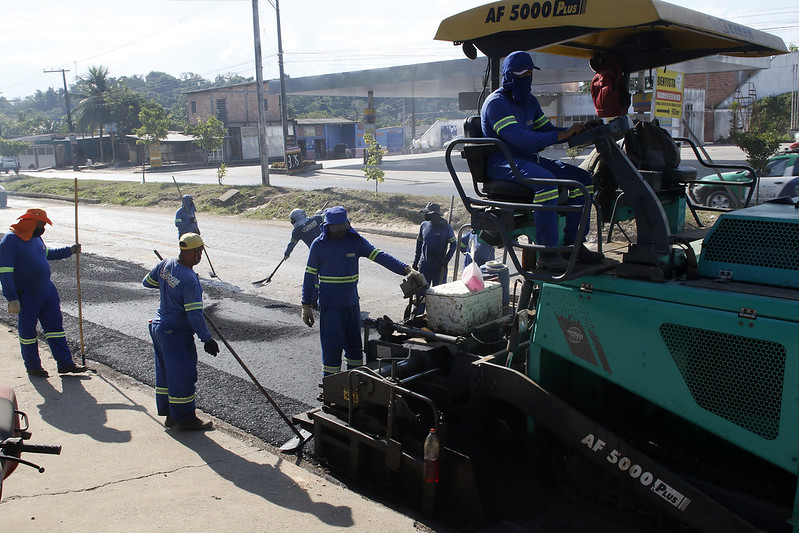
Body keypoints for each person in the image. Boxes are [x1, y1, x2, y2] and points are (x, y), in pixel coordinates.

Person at [481, 50, 604, 271]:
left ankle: (573, 245)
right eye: (521, 74)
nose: (527, 78)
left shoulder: (530, 101)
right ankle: (548, 252)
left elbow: (544, 129)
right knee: (546, 183)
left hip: (528, 159)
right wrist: (560, 135)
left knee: (582, 179)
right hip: (502, 161)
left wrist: (573, 131)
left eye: (530, 73)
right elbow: (516, 137)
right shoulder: (496, 103)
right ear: (508, 76)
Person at [301, 206, 424, 378]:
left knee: (355, 350)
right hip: (330, 309)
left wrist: (406, 269)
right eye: (335, 230)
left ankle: (354, 386)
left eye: (342, 229)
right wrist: (305, 304)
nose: (339, 234)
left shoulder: (355, 241)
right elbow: (309, 275)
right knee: (331, 350)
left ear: (348, 225)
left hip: (351, 305)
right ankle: (330, 388)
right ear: (326, 227)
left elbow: (380, 256)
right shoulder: (319, 245)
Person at [143, 233, 220, 430]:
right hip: (175, 332)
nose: (201, 255)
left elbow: (147, 282)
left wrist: (167, 282)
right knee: (183, 374)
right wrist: (207, 339)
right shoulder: (189, 279)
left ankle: (170, 415)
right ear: (193, 252)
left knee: (166, 373)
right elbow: (194, 315)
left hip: (158, 327)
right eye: (200, 251)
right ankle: (185, 418)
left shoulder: (166, 264)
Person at [0, 208, 86, 377]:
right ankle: (33, 366)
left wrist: (69, 250)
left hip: (47, 292)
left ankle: (65, 363)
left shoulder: (36, 238)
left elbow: (46, 254)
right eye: (41, 224)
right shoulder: (10, 240)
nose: (43, 228)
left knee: (56, 329)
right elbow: (5, 271)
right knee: (28, 333)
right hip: (26, 295)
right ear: (30, 223)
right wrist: (12, 298)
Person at [412, 203, 457, 287]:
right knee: (421, 290)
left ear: (434, 214)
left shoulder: (446, 227)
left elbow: (454, 244)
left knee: (438, 292)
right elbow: (419, 245)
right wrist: (416, 262)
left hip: (439, 266)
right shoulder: (424, 225)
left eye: (427, 213)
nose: (425, 215)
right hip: (424, 265)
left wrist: (446, 260)